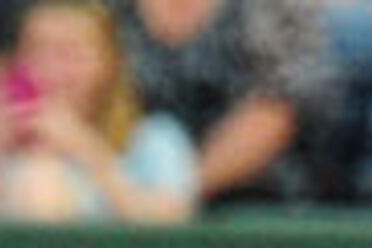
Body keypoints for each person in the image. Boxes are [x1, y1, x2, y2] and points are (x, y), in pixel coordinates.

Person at [0, 0, 201, 219]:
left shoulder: (156, 140)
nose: (51, 70)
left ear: (109, 64)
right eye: (36, 51)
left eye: (69, 54)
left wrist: (86, 149)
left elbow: (171, 224)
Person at [109, 0, 334, 203]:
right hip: (122, 192)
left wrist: (178, 190)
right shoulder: (112, 8)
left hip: (261, 201)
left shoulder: (270, 7)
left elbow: (279, 103)